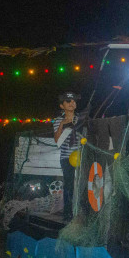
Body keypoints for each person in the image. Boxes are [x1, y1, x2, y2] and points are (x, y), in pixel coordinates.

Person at [53, 91, 85, 222]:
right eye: (68, 101)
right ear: (62, 106)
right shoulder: (58, 121)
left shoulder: (82, 119)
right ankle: (67, 213)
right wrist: (63, 124)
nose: (72, 103)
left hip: (81, 156)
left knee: (84, 184)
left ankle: (83, 211)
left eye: (73, 101)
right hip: (66, 158)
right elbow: (57, 141)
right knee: (69, 185)